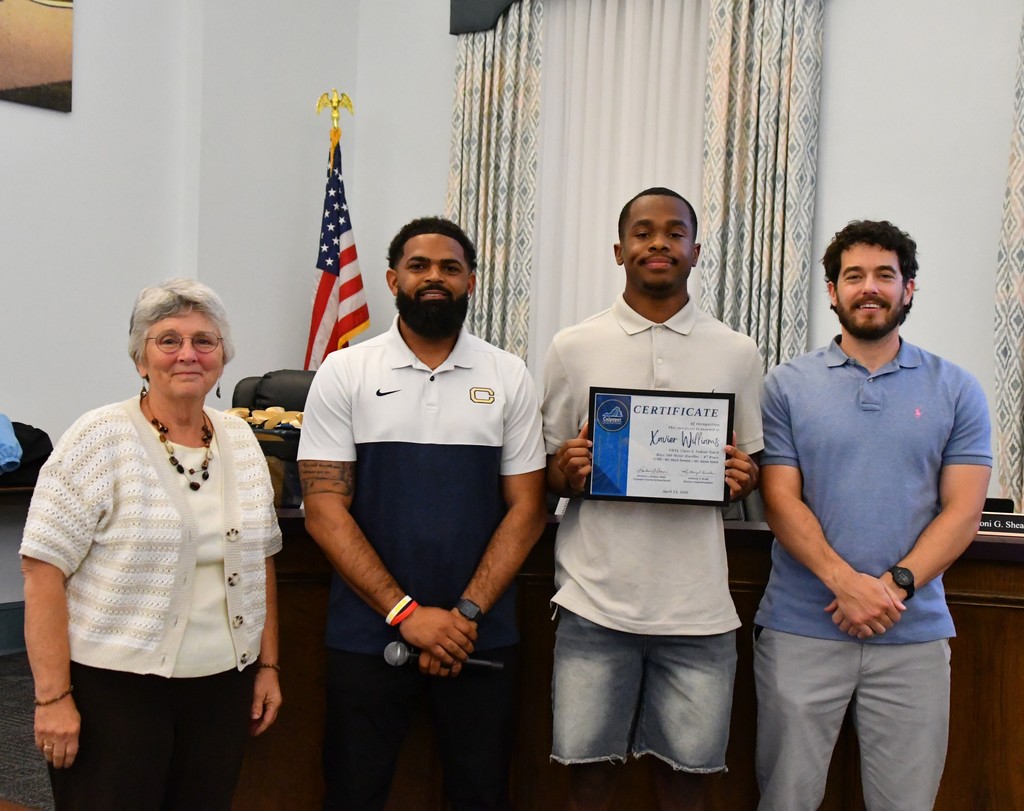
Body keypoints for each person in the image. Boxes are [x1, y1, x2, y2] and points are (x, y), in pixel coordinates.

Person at [297, 216, 547, 811]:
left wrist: (461, 615)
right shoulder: (345, 371)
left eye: (450, 267)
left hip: (479, 634)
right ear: (391, 279)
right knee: (354, 792)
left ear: (471, 282)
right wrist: (405, 612)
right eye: (419, 266)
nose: (434, 277)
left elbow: (528, 509)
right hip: (368, 631)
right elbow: (324, 508)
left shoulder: (507, 374)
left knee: (481, 791)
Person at [753, 220, 992, 810]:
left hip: (912, 634)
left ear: (909, 289)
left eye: (885, 275)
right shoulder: (785, 386)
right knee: (786, 800)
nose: (869, 288)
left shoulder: (957, 389)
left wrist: (891, 589)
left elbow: (963, 512)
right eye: (853, 276)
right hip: (801, 628)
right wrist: (845, 584)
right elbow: (780, 500)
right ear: (831, 291)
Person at [20, 278, 283, 810]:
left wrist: (268, 666)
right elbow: (41, 571)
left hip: (222, 686)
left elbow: (260, 562)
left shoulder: (241, 440)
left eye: (203, 341)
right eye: (168, 340)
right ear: (141, 359)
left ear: (222, 359)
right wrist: (52, 698)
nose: (187, 353)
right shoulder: (99, 437)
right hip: (115, 691)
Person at [542, 187, 763, 811]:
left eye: (674, 232)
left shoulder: (737, 352)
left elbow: (751, 466)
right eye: (643, 232)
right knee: (586, 780)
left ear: (696, 251)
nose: (658, 242)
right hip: (594, 602)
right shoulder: (573, 346)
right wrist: (566, 469)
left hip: (698, 609)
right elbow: (546, 471)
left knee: (687, 784)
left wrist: (742, 476)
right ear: (619, 250)